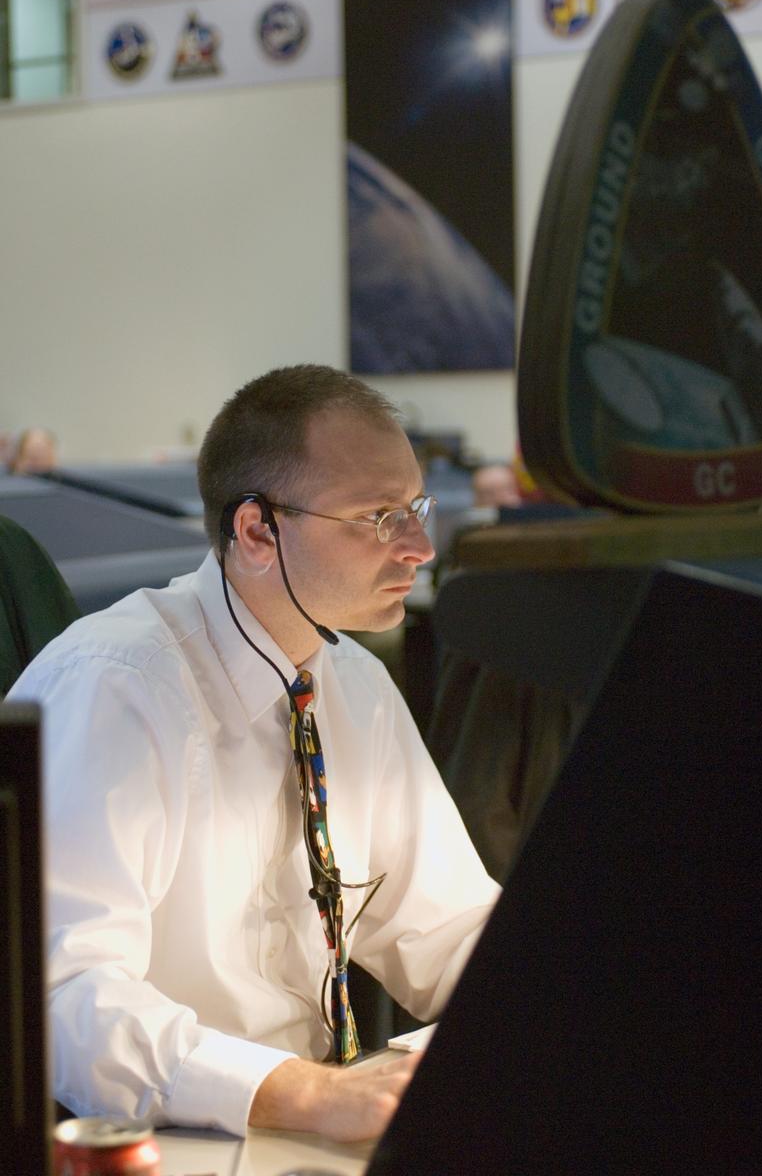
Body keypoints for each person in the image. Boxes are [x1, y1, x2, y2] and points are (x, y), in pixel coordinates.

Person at [8, 366, 499, 1141]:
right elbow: (64, 996)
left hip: (306, 1121)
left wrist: (571, 1007)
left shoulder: (355, 687)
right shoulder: (114, 685)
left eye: (416, 509)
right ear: (258, 531)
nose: (420, 548)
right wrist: (301, 1094)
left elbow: (446, 926)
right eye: (380, 517)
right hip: (151, 1137)